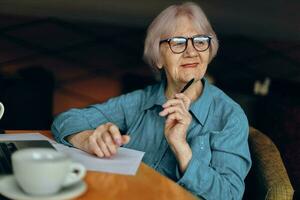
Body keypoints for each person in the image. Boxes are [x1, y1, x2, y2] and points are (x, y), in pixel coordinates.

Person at [52, 2, 251, 199]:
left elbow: (230, 195)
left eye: (200, 41)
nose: (191, 52)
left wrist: (182, 149)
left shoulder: (229, 116)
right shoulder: (140, 101)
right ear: (158, 58)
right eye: (178, 43)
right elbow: (66, 120)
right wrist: (88, 139)